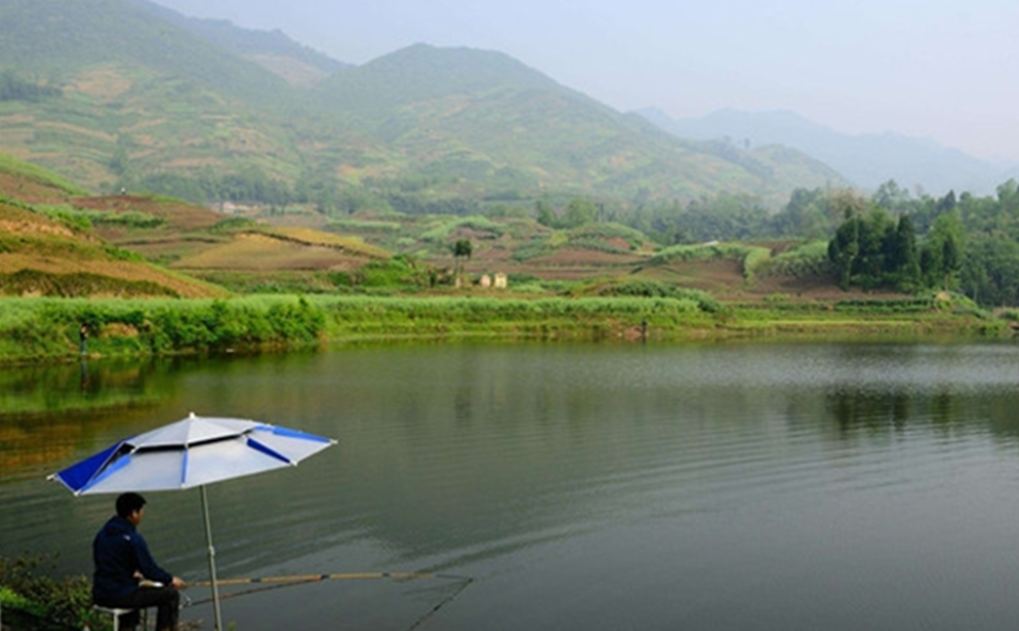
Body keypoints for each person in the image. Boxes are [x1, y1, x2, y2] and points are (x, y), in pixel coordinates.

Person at [93, 492, 185, 631]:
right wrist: (170, 579)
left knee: (134, 589)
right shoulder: (133, 539)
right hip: (119, 596)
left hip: (100, 594)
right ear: (134, 513)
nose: (142, 515)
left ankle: (127, 627)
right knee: (170, 595)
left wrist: (130, 572)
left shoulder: (102, 534)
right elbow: (149, 570)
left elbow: (107, 563)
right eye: (141, 511)